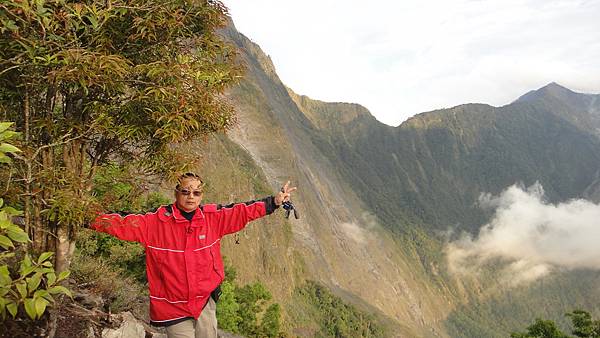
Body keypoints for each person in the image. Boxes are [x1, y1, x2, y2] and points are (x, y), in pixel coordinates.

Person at [91, 172, 297, 338]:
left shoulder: (212, 218)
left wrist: (274, 202)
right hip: (172, 304)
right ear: (176, 193)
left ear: (201, 195)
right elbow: (122, 223)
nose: (191, 196)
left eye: (196, 193)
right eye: (186, 192)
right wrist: (84, 217)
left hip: (204, 300)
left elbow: (241, 211)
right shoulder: (155, 223)